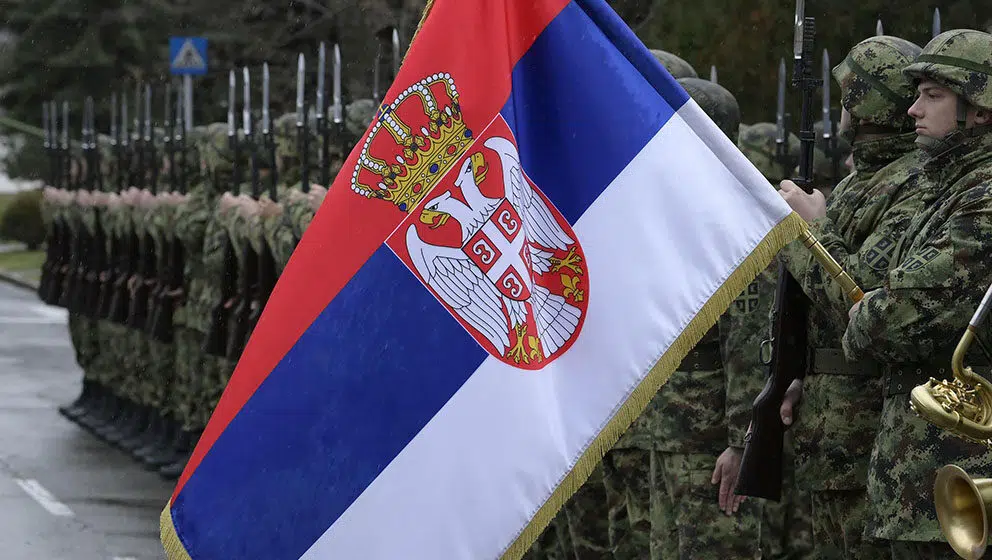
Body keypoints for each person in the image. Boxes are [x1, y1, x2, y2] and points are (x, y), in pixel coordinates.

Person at [771, 35, 924, 559]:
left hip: (868, 430)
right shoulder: (864, 182)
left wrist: (806, 231)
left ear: (864, 104)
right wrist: (805, 371)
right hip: (831, 424)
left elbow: (857, 300)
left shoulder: (909, 185)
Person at [841, 29, 992, 559]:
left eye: (932, 96)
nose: (912, 110)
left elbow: (896, 316)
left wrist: (867, 312)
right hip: (924, 475)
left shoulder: (983, 198)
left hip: (960, 462)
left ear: (979, 110)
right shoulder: (948, 188)